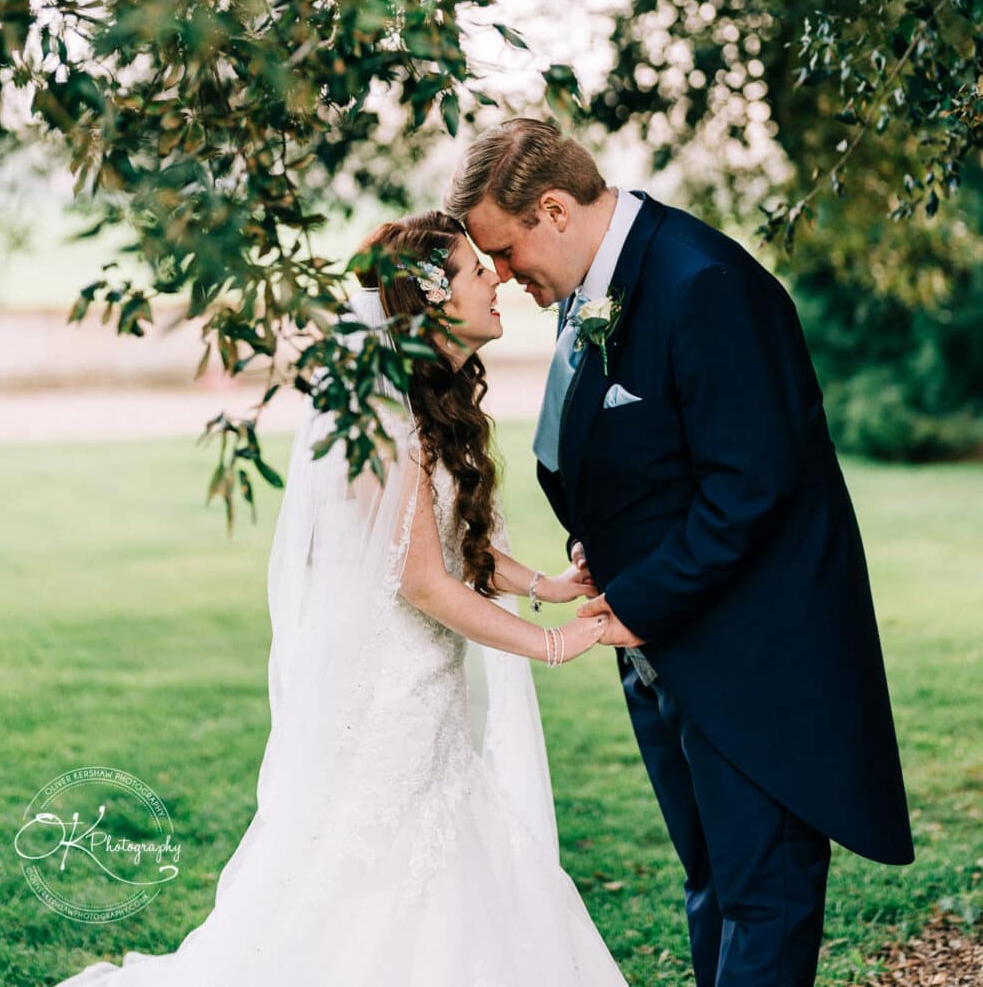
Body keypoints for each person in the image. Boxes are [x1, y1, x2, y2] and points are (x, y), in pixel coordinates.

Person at [51, 210, 629, 987]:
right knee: (370, 881)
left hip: (430, 700)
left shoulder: (427, 404)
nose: (495, 277)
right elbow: (421, 579)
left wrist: (544, 586)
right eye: (474, 270)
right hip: (388, 695)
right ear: (432, 303)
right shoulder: (381, 421)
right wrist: (553, 643)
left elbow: (447, 541)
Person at [448, 117, 914, 987]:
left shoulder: (705, 283)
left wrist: (636, 602)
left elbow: (753, 486)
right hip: (665, 650)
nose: (501, 275)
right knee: (714, 885)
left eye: (504, 251)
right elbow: (634, 454)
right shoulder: (591, 289)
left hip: (750, 658)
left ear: (555, 210)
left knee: (763, 895)